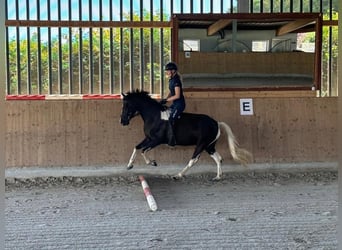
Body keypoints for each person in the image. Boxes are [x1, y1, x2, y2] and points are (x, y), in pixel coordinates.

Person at [161, 62, 186, 146]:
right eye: (167, 71)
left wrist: (167, 100)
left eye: (168, 71)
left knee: (171, 119)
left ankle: (172, 139)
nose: (167, 72)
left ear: (173, 71)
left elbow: (177, 95)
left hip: (179, 104)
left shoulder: (176, 81)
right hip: (175, 104)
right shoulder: (171, 80)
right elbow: (171, 92)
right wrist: (165, 99)